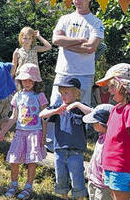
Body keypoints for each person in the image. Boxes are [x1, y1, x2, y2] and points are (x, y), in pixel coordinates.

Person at [48, 0, 104, 151]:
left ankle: (78, 144)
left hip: (85, 74)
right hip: (63, 70)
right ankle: (51, 143)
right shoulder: (65, 19)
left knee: (82, 109)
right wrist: (79, 41)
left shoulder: (96, 22)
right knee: (56, 106)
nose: (77, 1)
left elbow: (92, 47)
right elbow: (56, 41)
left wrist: (68, 43)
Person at [3, 63, 48, 199]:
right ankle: (14, 184)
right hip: (20, 132)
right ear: (20, 80)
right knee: (14, 159)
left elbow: (44, 117)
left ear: (35, 81)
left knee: (31, 161)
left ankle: (28, 187)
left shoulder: (39, 96)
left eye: (30, 80)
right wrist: (2, 131)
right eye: (24, 79)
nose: (27, 82)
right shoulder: (18, 96)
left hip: (35, 132)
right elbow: (13, 117)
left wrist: (44, 137)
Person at [40, 77, 87, 199]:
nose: (63, 96)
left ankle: (79, 197)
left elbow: (94, 113)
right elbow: (42, 114)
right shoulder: (58, 107)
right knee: (61, 180)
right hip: (59, 151)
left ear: (76, 93)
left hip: (76, 152)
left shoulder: (80, 108)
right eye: (61, 93)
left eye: (66, 93)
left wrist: (77, 104)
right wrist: (55, 111)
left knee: (77, 180)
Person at [95, 63, 130, 200]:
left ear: (124, 86)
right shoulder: (115, 109)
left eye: (112, 86)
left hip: (122, 166)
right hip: (110, 165)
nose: (109, 90)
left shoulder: (128, 109)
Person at [81, 104, 114, 200]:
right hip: (93, 180)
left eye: (94, 122)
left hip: (103, 186)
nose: (92, 124)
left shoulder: (111, 140)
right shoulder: (101, 136)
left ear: (101, 123)